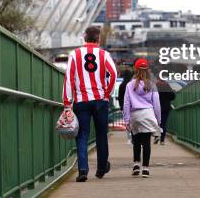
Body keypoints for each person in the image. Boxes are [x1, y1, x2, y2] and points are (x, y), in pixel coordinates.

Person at [62, 26, 117, 182]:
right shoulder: (104, 54)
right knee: (101, 134)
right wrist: (107, 93)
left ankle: (83, 171)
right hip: (100, 100)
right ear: (98, 39)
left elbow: (69, 79)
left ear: (84, 38)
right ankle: (100, 169)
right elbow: (113, 74)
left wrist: (67, 103)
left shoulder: (74, 54)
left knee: (82, 135)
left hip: (81, 101)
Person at [123, 58, 162, 178]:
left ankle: (136, 164)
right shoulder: (152, 84)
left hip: (135, 115)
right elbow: (156, 103)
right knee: (146, 143)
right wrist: (158, 119)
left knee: (136, 141)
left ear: (135, 69)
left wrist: (126, 119)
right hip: (148, 114)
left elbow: (126, 103)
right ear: (148, 70)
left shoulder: (130, 85)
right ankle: (145, 168)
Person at [155, 79, 176, 145]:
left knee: (156, 123)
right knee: (163, 124)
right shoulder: (167, 85)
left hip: (157, 107)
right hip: (166, 107)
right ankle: (162, 140)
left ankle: (156, 137)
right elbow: (173, 96)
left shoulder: (156, 85)